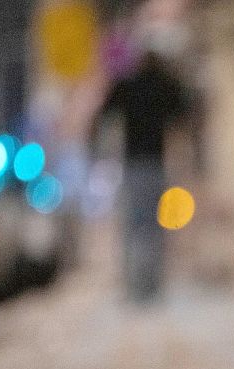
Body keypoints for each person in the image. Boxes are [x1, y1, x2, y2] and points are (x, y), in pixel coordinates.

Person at [101, 51, 189, 303]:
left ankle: (132, 285)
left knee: (132, 225)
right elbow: (182, 113)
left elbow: (107, 111)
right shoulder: (164, 85)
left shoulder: (128, 86)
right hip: (155, 162)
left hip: (133, 163)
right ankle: (151, 286)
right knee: (154, 226)